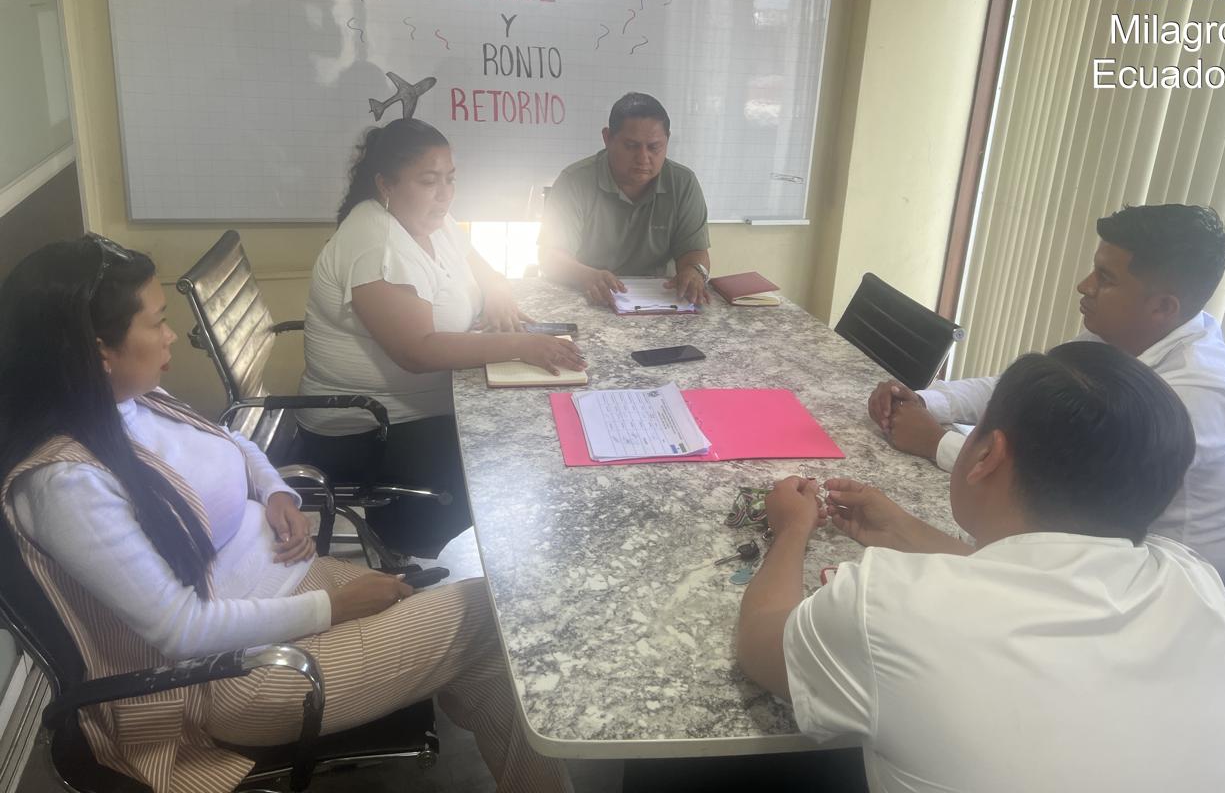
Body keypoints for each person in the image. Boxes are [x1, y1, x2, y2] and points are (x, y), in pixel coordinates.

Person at [0, 236, 570, 793]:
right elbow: (181, 631)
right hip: (239, 675)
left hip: (292, 589)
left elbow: (234, 443)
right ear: (100, 349)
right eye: (156, 322)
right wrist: (334, 607)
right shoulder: (66, 484)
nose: (171, 335)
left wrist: (275, 491)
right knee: (490, 614)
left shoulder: (136, 401)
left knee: (491, 660)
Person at [737, 342, 1225, 793]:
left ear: (987, 454)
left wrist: (792, 529)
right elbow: (1049, 586)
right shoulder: (1193, 579)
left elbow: (759, 641)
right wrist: (905, 531)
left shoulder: (886, 608)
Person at [869, 203, 1225, 578]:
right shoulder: (1123, 331)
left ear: (1162, 307)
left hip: (1168, 586)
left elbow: (1070, 486)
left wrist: (936, 442)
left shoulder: (1201, 389)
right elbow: (1027, 392)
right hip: (1102, 552)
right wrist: (927, 401)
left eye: (1105, 278)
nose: (1084, 286)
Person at [296, 119, 585, 556]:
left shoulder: (431, 218)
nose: (445, 194)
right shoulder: (376, 243)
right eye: (429, 181)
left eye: (450, 179)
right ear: (386, 184)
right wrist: (521, 345)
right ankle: (418, 549)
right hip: (365, 430)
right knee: (516, 451)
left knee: (533, 427)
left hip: (420, 405)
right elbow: (418, 351)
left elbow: (479, 264)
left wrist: (497, 291)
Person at [538, 92, 712, 306]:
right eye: (631, 146)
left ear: (667, 141)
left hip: (659, 301)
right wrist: (584, 275)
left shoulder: (683, 183)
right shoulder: (574, 181)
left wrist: (694, 272)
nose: (643, 158)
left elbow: (694, 252)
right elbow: (551, 257)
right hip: (588, 296)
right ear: (607, 138)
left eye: (654, 147)